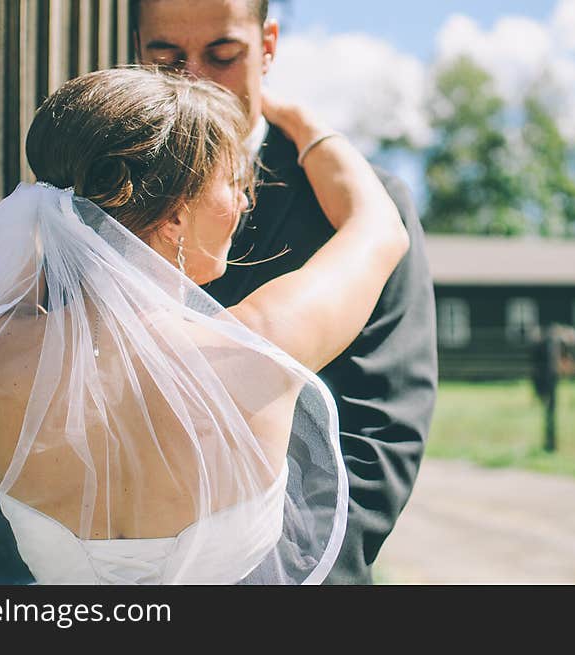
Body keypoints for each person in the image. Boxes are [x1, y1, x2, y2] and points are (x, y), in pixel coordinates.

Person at [0, 67, 409, 584]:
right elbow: (380, 228)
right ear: (177, 216)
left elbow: (30, 241)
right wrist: (300, 121)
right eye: (233, 182)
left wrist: (60, 203)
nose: (245, 201)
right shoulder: (260, 346)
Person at [131, 0, 439, 584]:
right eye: (166, 58)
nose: (195, 79)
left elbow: (381, 429)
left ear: (267, 46)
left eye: (223, 55)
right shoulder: (100, 198)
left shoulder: (359, 204)